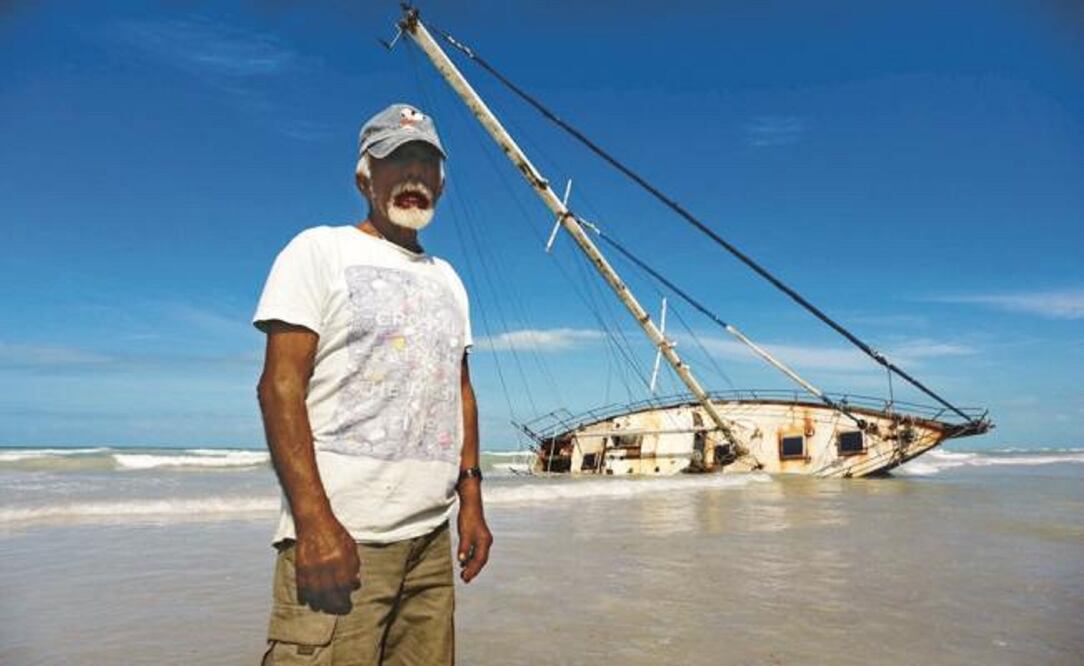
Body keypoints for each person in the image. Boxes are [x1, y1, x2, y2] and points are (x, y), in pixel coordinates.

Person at [253, 103, 492, 665]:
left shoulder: (448, 280)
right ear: (365, 177)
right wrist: (314, 523)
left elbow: (458, 392)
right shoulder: (319, 250)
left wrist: (471, 500)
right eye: (396, 160)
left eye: (426, 163)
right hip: (342, 536)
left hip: (429, 542)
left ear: (441, 182)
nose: (413, 175)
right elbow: (279, 387)